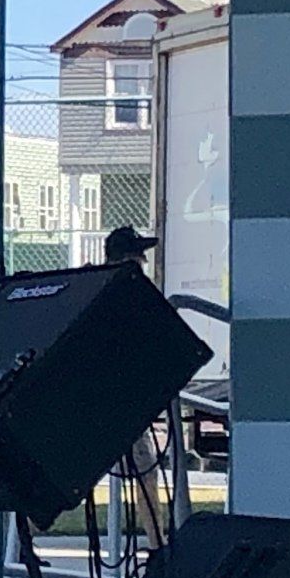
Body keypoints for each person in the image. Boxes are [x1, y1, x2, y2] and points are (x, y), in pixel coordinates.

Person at [101, 225, 170, 542]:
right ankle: (158, 544)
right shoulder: (120, 294)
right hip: (114, 404)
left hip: (115, 403)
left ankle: (25, 539)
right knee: (145, 472)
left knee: (144, 472)